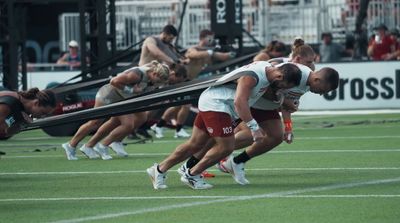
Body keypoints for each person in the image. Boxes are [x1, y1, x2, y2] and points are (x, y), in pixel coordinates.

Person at [180, 38, 339, 185]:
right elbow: (269, 84)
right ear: (318, 80)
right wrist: (283, 101)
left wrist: (288, 126)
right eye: (323, 90)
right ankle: (191, 166)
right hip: (254, 101)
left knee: (276, 136)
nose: (321, 94)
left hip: (267, 106)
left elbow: (285, 103)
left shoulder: (308, 81)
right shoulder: (296, 72)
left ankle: (236, 162)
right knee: (227, 139)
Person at [147, 61, 302, 189]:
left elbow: (264, 93)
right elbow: (239, 102)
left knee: (195, 144)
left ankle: (159, 170)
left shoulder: (268, 70)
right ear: (280, 75)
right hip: (218, 105)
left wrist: (284, 102)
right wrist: (254, 128)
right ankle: (192, 174)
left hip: (215, 102)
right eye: (283, 85)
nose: (282, 89)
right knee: (226, 147)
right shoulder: (253, 76)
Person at [61, 61, 170, 160]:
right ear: (155, 74)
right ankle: (71, 145)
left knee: (136, 119)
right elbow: (114, 81)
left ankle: (93, 145)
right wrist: (132, 90)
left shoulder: (151, 74)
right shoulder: (136, 75)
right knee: (95, 122)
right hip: (108, 95)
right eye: (158, 81)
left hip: (121, 99)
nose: (158, 84)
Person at [151, 29, 235, 139]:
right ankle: (166, 127)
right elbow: (192, 54)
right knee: (183, 105)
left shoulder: (208, 52)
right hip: (179, 79)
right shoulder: (194, 49)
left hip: (188, 82)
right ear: (202, 38)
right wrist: (208, 52)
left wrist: (230, 54)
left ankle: (164, 127)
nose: (211, 40)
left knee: (181, 106)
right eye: (209, 38)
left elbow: (220, 56)